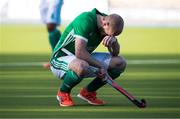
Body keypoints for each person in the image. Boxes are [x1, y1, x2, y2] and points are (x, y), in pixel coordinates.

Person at [50, 8, 126, 107]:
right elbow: (80, 53)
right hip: (61, 58)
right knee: (82, 65)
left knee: (120, 63)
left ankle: (88, 92)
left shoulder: (108, 22)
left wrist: (114, 41)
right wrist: (101, 66)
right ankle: (63, 93)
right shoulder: (85, 20)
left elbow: (115, 53)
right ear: (105, 24)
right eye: (108, 34)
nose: (107, 36)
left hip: (83, 58)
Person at [39, 0, 63, 69]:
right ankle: (55, 61)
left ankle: (54, 63)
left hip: (54, 31)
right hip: (54, 31)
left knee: (51, 28)